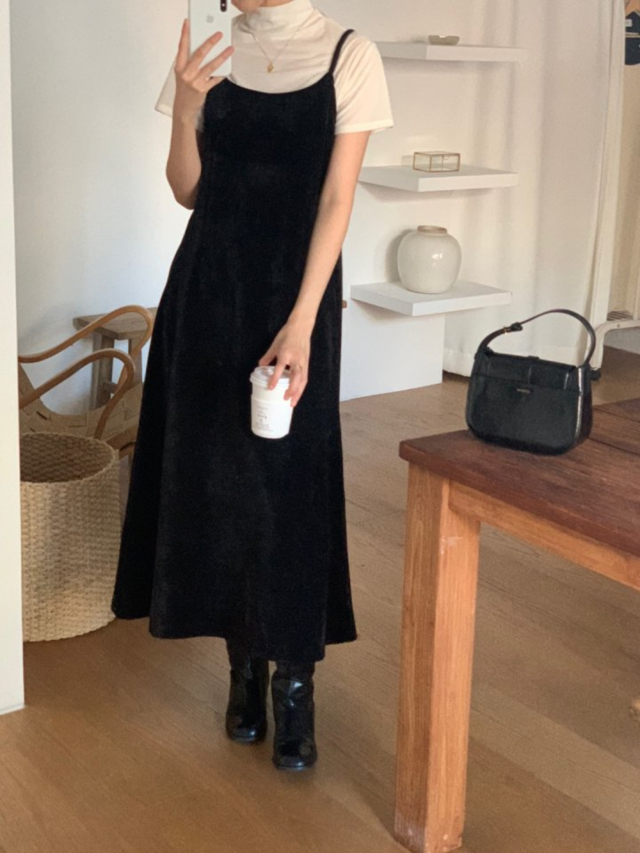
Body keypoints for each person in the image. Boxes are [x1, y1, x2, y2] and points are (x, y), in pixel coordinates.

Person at [110, 0, 393, 772]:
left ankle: (294, 682)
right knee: (221, 482)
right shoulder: (213, 50)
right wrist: (185, 108)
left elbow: (336, 200)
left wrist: (301, 322)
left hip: (296, 301)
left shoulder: (348, 56)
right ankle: (243, 666)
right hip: (208, 292)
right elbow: (187, 190)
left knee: (292, 486)